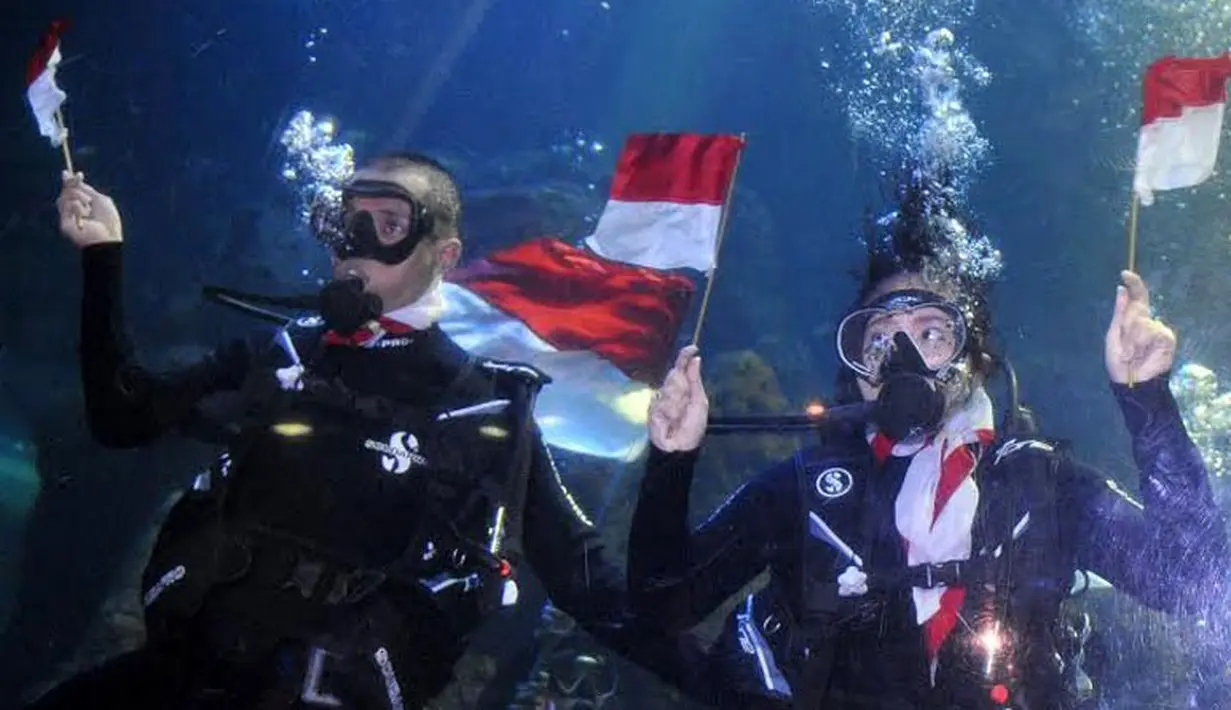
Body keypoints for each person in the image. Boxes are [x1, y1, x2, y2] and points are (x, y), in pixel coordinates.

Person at [28, 153, 631, 709]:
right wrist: (102, 254)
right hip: (185, 675)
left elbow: (592, 586)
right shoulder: (283, 354)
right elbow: (121, 418)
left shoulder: (485, 409)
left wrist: (677, 463)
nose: (356, 245)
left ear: (444, 255)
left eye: (389, 225)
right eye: (346, 221)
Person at [627, 174, 1230, 709]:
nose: (904, 359)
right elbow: (663, 605)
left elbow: (1195, 581)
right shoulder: (805, 489)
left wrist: (1147, 400)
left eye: (932, 332)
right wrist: (670, 464)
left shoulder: (1042, 485)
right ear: (859, 372)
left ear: (974, 355)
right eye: (880, 338)